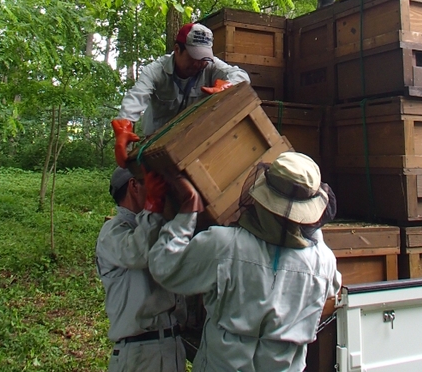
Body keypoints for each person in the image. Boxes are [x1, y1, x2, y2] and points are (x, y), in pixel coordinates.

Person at [148, 152, 342, 372]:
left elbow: (165, 267)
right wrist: (313, 234)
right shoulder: (323, 261)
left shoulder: (224, 245)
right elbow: (333, 286)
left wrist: (186, 213)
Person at [111, 22, 251, 167]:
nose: (199, 64)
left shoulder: (210, 65)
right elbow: (135, 98)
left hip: (193, 142)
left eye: (203, 58)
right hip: (156, 145)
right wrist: (123, 130)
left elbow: (241, 76)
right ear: (177, 49)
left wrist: (225, 86)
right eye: (193, 57)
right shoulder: (155, 71)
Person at [96, 166, 187, 372]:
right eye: (151, 184)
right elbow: (138, 252)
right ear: (134, 185)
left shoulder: (151, 227)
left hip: (170, 346)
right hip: (141, 353)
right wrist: (153, 206)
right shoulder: (112, 231)